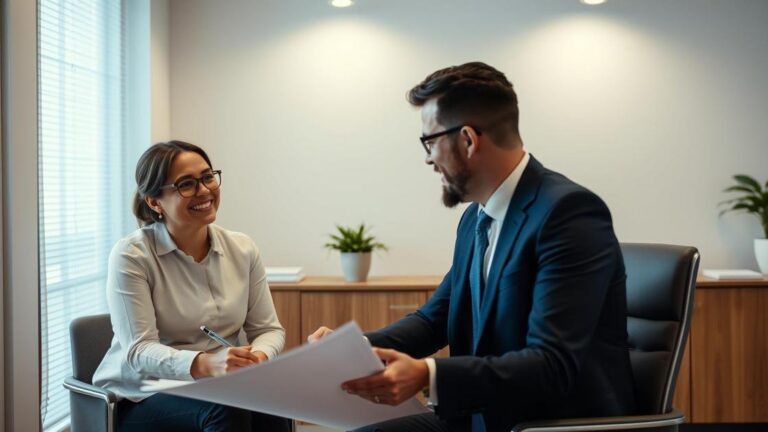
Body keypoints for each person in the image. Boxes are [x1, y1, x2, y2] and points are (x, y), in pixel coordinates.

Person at [309, 62, 637, 432]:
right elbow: (434, 320)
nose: (428, 159)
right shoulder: (475, 218)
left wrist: (428, 374)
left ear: (468, 140)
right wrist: (354, 347)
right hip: (484, 415)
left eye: (430, 142)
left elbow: (552, 363)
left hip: (548, 423)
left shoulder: (568, 214)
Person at [93, 141, 291, 431]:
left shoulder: (242, 249)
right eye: (186, 184)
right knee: (226, 409)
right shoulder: (132, 255)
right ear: (154, 202)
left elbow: (268, 329)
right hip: (143, 394)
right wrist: (204, 364)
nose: (204, 190)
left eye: (208, 177)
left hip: (218, 387)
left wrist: (257, 358)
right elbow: (139, 350)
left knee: (271, 399)